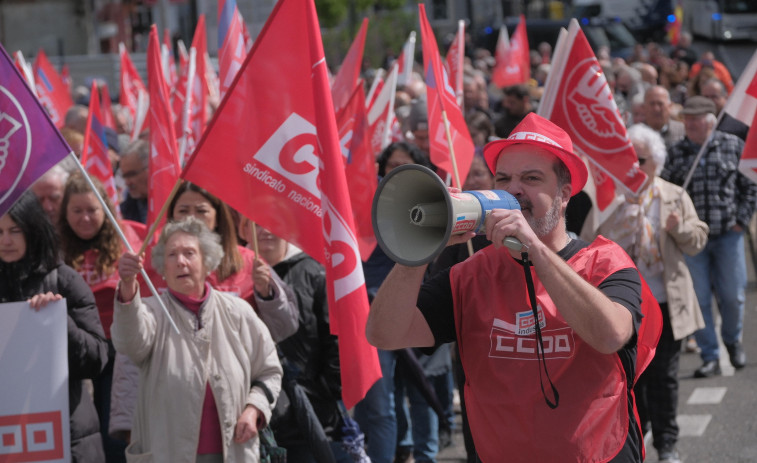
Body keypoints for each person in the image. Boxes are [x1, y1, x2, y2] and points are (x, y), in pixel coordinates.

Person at [367, 113, 653, 462]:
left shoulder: (606, 262)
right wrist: (419, 251)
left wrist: (536, 251)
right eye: (503, 179)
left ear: (564, 195)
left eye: (531, 178)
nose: (514, 189)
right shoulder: (470, 275)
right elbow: (384, 333)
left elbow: (610, 334)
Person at [583, 124, 708, 463]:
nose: (634, 167)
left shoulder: (674, 195)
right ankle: (639, 435)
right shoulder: (611, 198)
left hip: (666, 302)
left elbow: (697, 240)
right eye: (628, 159)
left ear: (657, 161)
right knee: (628, 378)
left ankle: (667, 444)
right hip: (621, 305)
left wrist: (678, 228)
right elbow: (585, 243)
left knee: (664, 377)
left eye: (640, 159)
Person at [112, 218, 282, 461]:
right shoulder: (150, 312)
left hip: (235, 451)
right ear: (162, 266)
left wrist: (254, 409)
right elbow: (129, 343)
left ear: (207, 262)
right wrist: (128, 285)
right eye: (172, 255)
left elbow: (270, 371)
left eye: (189, 253)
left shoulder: (238, 312)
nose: (181, 261)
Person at [0, 191, 108, 461]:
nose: (6, 240)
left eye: (15, 230)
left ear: (33, 230)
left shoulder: (63, 280)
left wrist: (61, 324)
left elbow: (97, 360)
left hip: (67, 434)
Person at [240, 220, 351, 462]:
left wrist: (326, 391)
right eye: (257, 223)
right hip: (249, 411)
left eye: (273, 221)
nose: (266, 230)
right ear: (242, 230)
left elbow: (334, 339)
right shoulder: (231, 271)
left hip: (306, 409)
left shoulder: (314, 272)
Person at [662, 96, 757, 377]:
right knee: (699, 298)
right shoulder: (677, 152)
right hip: (692, 241)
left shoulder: (731, 146)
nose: (689, 124)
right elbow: (668, 191)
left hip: (728, 233)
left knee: (732, 296)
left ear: (710, 121)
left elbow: (750, 185)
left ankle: (732, 340)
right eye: (687, 119)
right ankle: (710, 355)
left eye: (696, 119)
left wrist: (742, 219)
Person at [58, 172, 143, 462]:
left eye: (92, 210)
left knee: (115, 432)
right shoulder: (54, 249)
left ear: (105, 209)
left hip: (116, 351)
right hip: (71, 351)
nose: (85, 218)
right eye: (77, 210)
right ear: (64, 212)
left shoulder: (126, 243)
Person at [118, 140, 149, 224]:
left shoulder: (174, 205)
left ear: (150, 169)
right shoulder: (125, 211)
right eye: (125, 176)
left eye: (131, 174)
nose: (127, 182)